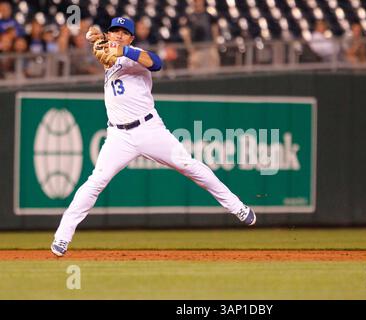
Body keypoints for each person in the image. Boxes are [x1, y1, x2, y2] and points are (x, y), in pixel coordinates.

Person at [50, 17, 256, 257]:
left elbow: (156, 63)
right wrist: (94, 36)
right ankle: (62, 237)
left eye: (123, 33)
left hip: (149, 130)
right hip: (118, 135)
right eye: (114, 31)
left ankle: (237, 207)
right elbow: (95, 40)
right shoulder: (108, 51)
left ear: (131, 38)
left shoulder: (134, 54)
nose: (118, 35)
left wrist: (122, 49)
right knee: (95, 182)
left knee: (189, 165)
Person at [179, 0, 220, 70]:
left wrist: (214, 48)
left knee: (212, 74)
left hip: (209, 48)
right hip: (196, 50)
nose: (197, 3)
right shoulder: (189, 17)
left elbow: (215, 31)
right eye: (195, 1)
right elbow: (185, 34)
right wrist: (191, 50)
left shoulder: (209, 16)